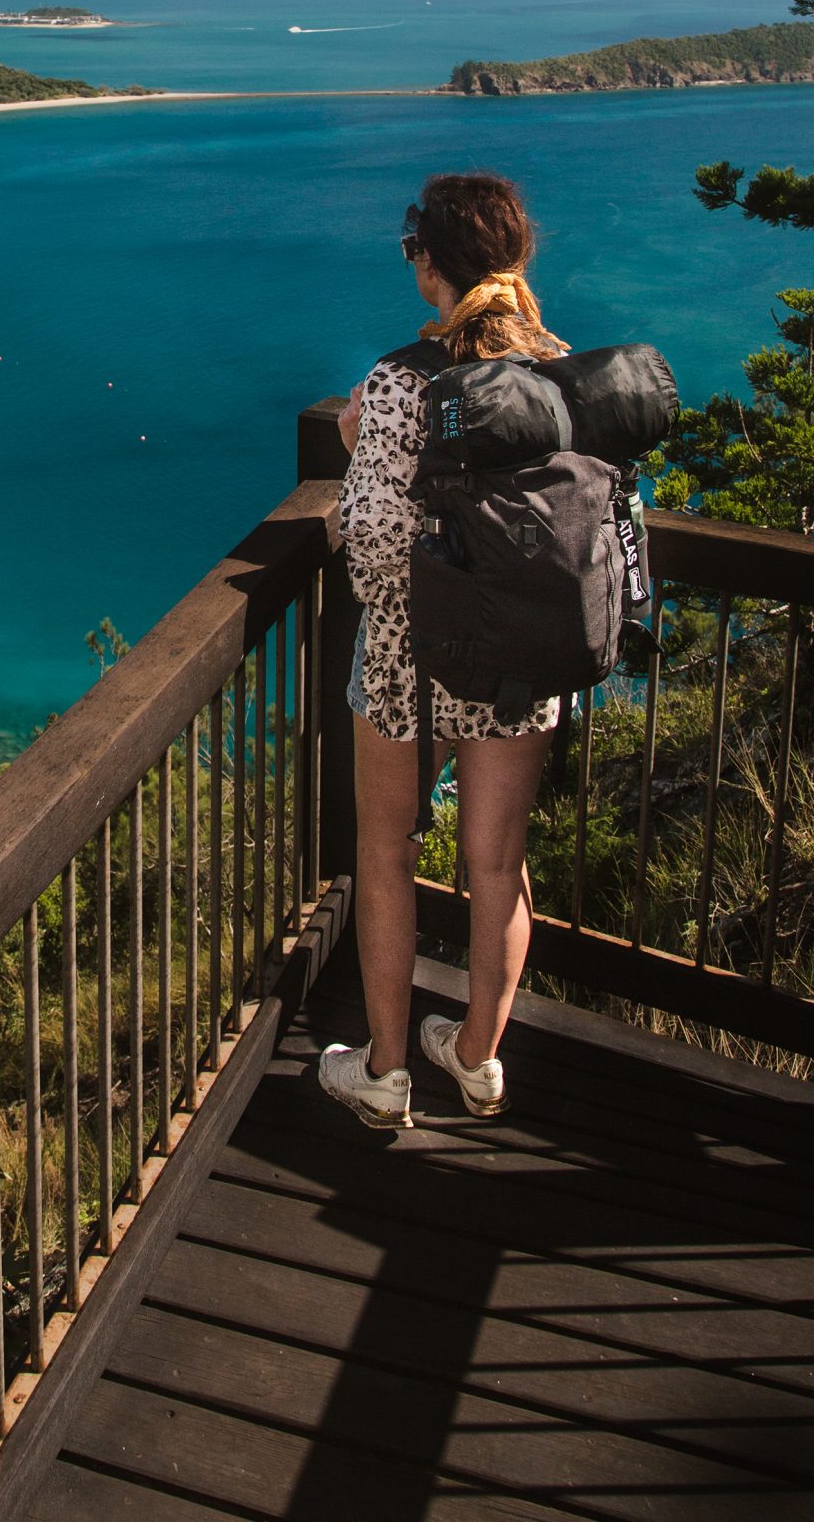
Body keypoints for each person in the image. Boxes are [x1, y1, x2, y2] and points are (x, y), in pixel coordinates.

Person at [318, 170, 570, 1130]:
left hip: (408, 663)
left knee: (384, 854)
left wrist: (351, 451)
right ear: (513, 261)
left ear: (427, 264)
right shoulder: (559, 370)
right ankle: (476, 1058)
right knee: (496, 863)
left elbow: (375, 551)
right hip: (519, 661)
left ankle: (384, 1073)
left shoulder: (397, 382)